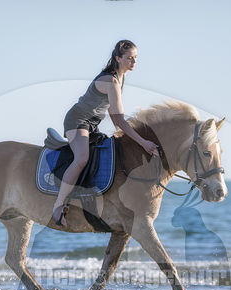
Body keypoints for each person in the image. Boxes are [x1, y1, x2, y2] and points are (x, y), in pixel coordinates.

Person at [52, 39, 160, 226]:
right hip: (77, 120)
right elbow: (118, 120)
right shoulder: (111, 80)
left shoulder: (120, 77)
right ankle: (58, 206)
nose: (134, 62)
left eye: (135, 58)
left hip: (92, 124)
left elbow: (112, 114)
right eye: (129, 58)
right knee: (81, 158)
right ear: (118, 58)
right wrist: (143, 142)